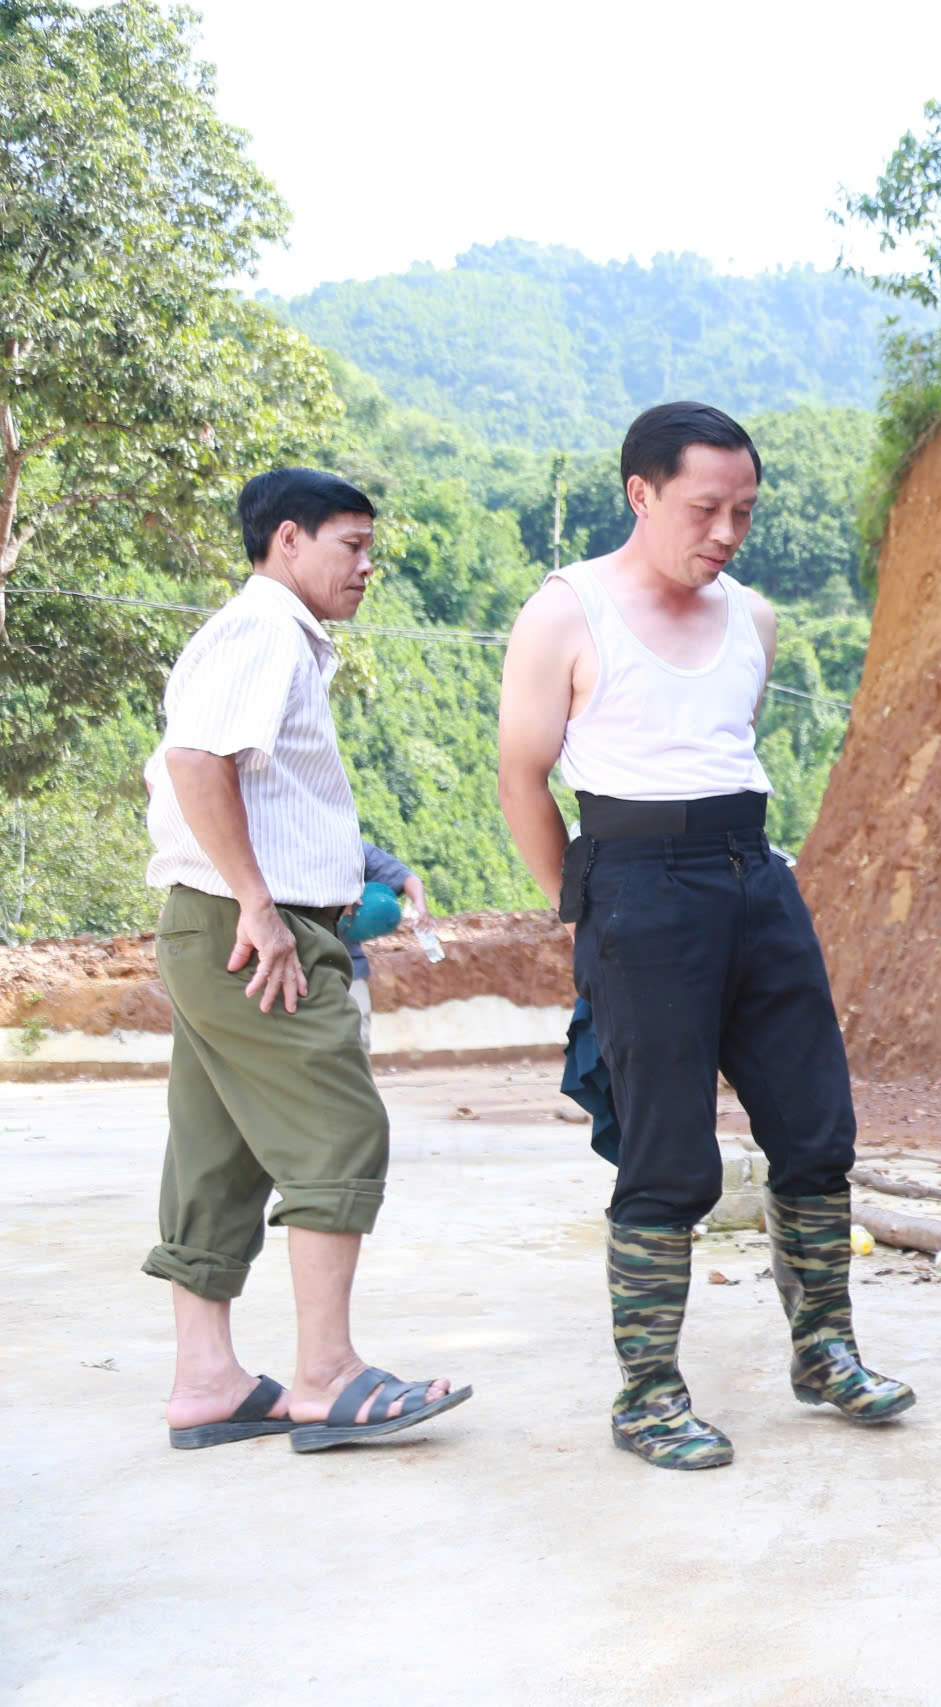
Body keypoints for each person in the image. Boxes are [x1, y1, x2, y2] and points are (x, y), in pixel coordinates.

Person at [497, 401, 910, 1473]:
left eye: (743, 512)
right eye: (705, 509)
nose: (725, 532)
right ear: (641, 493)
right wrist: (586, 910)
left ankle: (825, 1352)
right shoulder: (566, 613)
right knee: (665, 1156)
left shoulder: (754, 619)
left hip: (754, 877)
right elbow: (522, 775)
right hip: (636, 885)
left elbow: (728, 745)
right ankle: (646, 1395)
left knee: (816, 1131)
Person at [142, 467, 472, 1455]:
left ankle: (207, 1379)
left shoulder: (259, 634)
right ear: (288, 541)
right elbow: (199, 763)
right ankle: (325, 1375)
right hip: (253, 927)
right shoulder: (264, 632)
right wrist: (260, 905)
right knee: (336, 1124)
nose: (367, 567)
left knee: (220, 1148)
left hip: (216, 925)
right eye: (352, 545)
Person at [342, 840, 429, 1053]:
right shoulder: (287, 852)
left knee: (358, 1038)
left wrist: (421, 907)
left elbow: (407, 878)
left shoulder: (352, 848)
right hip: (300, 964)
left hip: (349, 965)